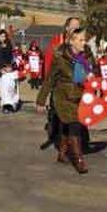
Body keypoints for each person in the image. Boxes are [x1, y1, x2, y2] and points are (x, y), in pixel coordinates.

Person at [36, 27, 93, 174]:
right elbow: (50, 79)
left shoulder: (86, 56)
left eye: (84, 39)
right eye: (80, 40)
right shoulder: (60, 56)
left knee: (67, 126)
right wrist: (41, 100)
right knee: (75, 126)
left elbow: (93, 72)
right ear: (72, 41)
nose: (83, 42)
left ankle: (62, 153)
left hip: (80, 96)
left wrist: (92, 77)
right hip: (63, 97)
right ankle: (79, 160)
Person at [40, 17, 82, 150]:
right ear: (67, 28)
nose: (76, 30)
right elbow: (49, 68)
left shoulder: (81, 44)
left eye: (78, 27)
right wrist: (46, 92)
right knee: (58, 116)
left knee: (77, 117)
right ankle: (61, 144)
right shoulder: (56, 43)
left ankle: (75, 144)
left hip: (77, 88)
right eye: (74, 27)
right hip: (59, 88)